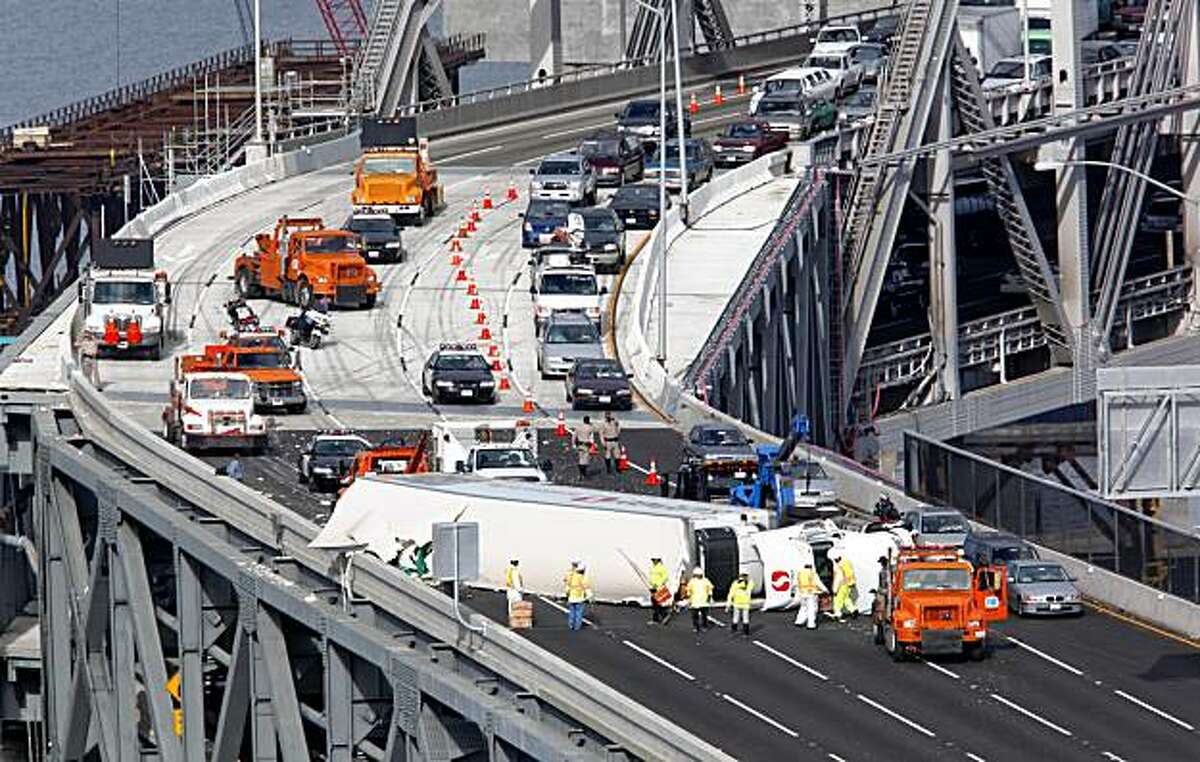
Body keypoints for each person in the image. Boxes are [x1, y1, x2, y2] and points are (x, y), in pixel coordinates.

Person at [793, 561, 828, 629]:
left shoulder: (800, 573)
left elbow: (795, 584)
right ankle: (811, 624)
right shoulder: (812, 573)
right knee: (812, 609)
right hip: (811, 593)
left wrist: (795, 591)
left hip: (802, 593)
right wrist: (825, 590)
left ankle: (799, 621)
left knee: (803, 607)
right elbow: (818, 583)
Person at [563, 561, 592, 631]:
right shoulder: (582, 578)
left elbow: (567, 585)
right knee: (579, 612)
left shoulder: (571, 576)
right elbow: (586, 587)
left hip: (571, 597)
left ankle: (571, 624)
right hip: (579, 597)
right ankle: (577, 626)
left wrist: (567, 594)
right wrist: (589, 596)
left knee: (572, 612)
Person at [685, 566, 714, 635]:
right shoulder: (692, 581)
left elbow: (710, 588)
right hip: (695, 601)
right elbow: (688, 590)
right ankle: (696, 627)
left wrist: (709, 596)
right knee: (695, 616)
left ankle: (703, 626)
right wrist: (689, 598)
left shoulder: (705, 581)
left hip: (703, 601)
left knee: (704, 615)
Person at [831, 552, 858, 621]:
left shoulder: (838, 567)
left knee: (837, 600)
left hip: (841, 586)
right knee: (846, 599)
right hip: (847, 584)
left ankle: (837, 614)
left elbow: (838, 579)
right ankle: (853, 610)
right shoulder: (846, 563)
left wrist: (834, 590)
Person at [726, 572, 753, 639]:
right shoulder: (747, 583)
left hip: (742, 603)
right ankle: (743, 633)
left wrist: (728, 604)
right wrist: (728, 604)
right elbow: (731, 593)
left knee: (742, 618)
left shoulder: (738, 583)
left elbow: (731, 593)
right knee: (739, 618)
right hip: (740, 603)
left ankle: (739, 632)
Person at [648, 556, 670, 624]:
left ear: (658, 560)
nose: (653, 561)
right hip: (653, 588)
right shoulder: (652, 567)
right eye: (653, 559)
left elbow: (665, 577)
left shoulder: (661, 567)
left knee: (656, 603)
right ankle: (659, 617)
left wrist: (657, 584)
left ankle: (662, 616)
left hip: (659, 587)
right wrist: (651, 584)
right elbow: (652, 578)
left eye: (655, 560)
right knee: (655, 603)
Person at [872, 555, 891, 634]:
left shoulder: (885, 571)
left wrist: (879, 591)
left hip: (886, 591)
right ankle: (885, 618)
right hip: (887, 591)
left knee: (881, 606)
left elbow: (883, 584)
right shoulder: (889, 570)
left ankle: (883, 619)